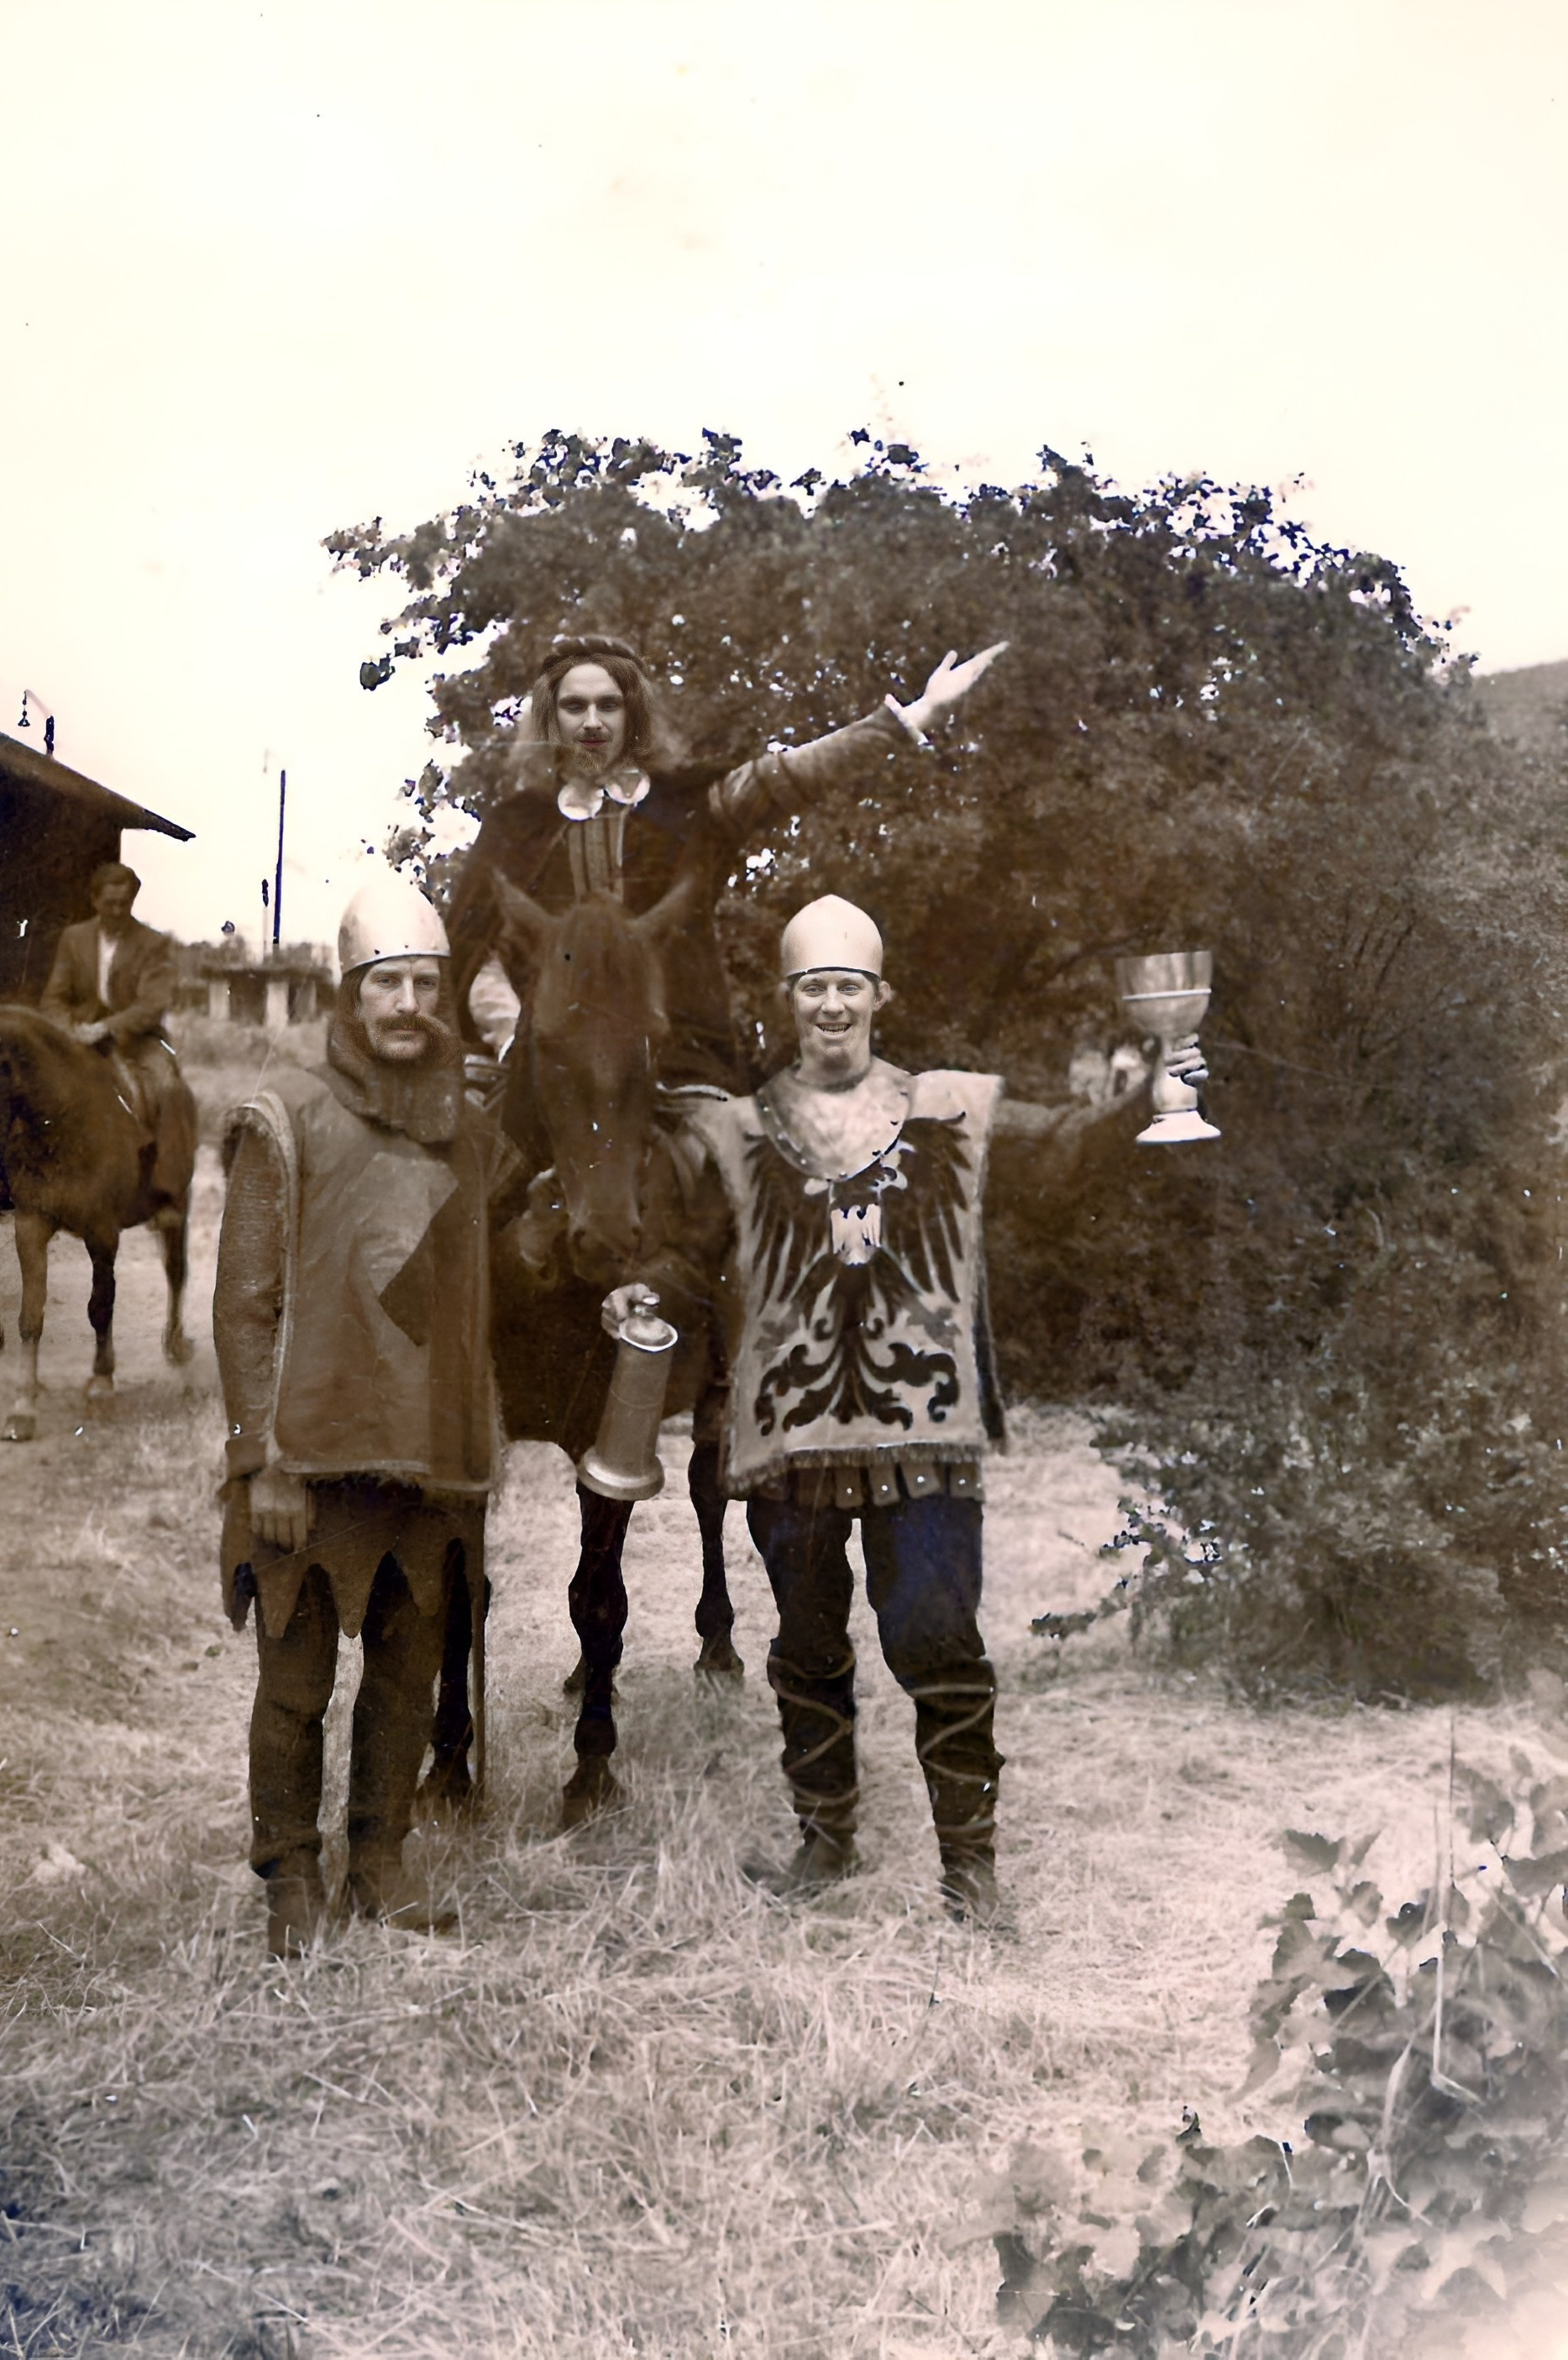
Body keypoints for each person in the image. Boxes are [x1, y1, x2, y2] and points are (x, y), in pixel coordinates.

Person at [602, 895, 1207, 1923]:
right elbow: (690, 1249)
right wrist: (644, 1286)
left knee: (934, 1630)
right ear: (787, 1002)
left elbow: (1061, 1151)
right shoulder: (741, 1127)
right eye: (812, 988)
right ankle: (824, 1837)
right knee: (803, 1637)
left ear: (881, 995)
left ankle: (970, 1864)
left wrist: (1149, 1096)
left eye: (848, 985)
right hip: (789, 1428)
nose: (831, 1005)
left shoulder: (951, 1107)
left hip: (924, 1424)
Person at [214, 869, 509, 1959]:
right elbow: (244, 1306)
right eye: (389, 982)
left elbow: (474, 1295)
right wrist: (263, 1461)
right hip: (311, 1457)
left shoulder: (464, 1128)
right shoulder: (284, 1114)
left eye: (428, 983)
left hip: (427, 1461)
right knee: (295, 1685)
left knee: (404, 1673)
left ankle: (378, 1868)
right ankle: (291, 1877)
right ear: (351, 991)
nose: (410, 1005)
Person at [448, 632, 1008, 1102]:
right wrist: (518, 1044)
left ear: (633, 714)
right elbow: (482, 960)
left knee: (743, 1191)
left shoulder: (690, 806)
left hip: (680, 1061)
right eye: (575, 707)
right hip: (546, 1070)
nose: (592, 722)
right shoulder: (517, 828)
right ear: (553, 717)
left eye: (609, 705)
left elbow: (795, 772)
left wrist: (916, 715)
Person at [39, 861, 195, 1224]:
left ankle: (169, 1193)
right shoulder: (74, 939)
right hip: (80, 1039)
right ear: (95, 901)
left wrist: (106, 1027)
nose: (118, 911)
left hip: (139, 1040)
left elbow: (152, 1004)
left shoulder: (153, 944)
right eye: (110, 903)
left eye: (125, 903)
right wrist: (69, 1028)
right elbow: (53, 998)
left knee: (171, 1090)